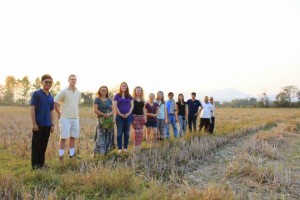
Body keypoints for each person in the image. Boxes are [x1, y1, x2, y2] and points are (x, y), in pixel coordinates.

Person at [30, 74, 54, 169]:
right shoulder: (36, 94)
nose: (48, 83)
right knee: (36, 146)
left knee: (43, 146)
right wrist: (34, 123)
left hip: (47, 125)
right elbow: (32, 108)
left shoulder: (51, 97)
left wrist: (52, 124)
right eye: (46, 82)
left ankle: (42, 164)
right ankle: (35, 166)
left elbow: (51, 111)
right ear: (42, 82)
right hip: (38, 124)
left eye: (50, 82)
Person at [54, 74, 81, 161]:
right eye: (72, 79)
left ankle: (71, 155)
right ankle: (61, 156)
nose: (73, 81)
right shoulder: (64, 91)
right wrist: (59, 113)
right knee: (63, 138)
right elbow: (55, 102)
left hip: (75, 118)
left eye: (75, 79)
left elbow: (76, 104)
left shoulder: (78, 92)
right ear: (68, 80)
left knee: (73, 137)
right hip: (65, 118)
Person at [93, 86, 114, 155]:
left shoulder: (109, 100)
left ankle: (106, 152)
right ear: (100, 91)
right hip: (101, 120)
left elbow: (113, 109)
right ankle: (95, 153)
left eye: (105, 90)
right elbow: (95, 110)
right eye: (102, 90)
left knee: (108, 136)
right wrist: (104, 114)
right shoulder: (97, 99)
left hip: (109, 120)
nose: (104, 91)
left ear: (107, 91)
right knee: (100, 137)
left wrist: (109, 114)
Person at [113, 82, 134, 154]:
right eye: (122, 86)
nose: (123, 87)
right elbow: (115, 106)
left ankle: (125, 148)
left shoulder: (129, 96)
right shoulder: (117, 96)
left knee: (127, 133)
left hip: (128, 116)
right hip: (119, 117)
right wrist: (120, 114)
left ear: (127, 87)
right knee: (119, 133)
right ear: (120, 87)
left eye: (125, 86)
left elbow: (132, 106)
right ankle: (119, 148)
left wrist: (128, 113)